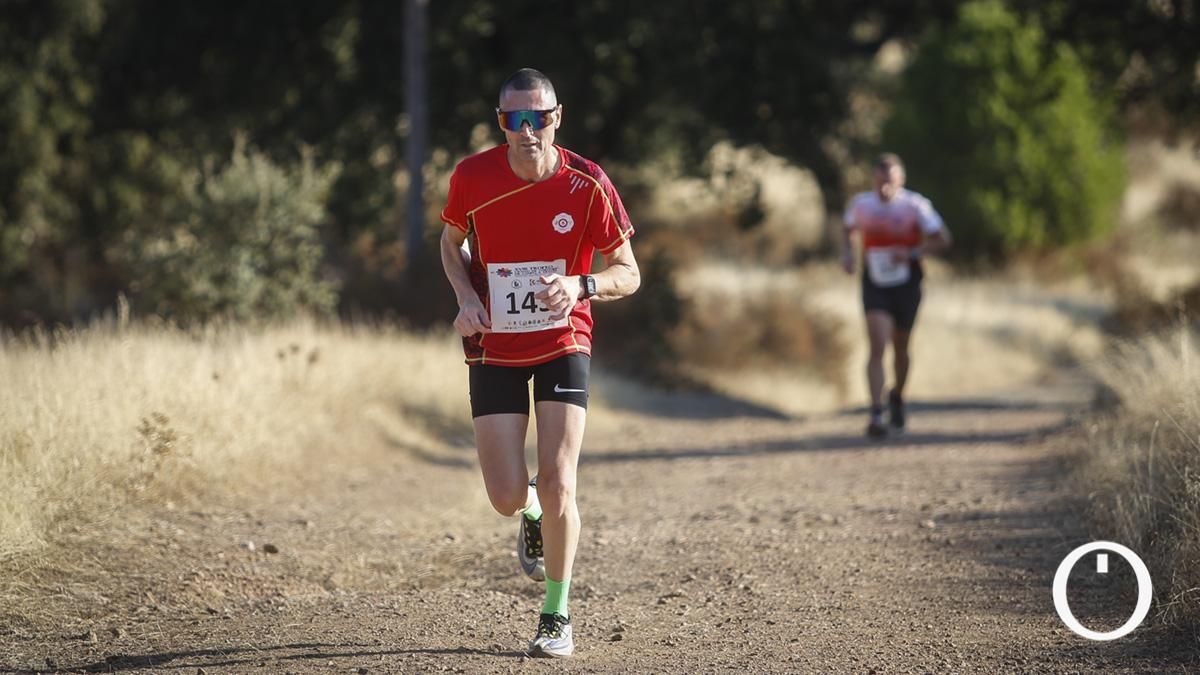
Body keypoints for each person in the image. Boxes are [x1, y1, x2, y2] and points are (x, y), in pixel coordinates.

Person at [438, 67, 640, 658]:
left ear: (557, 118)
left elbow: (629, 271)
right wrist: (467, 298)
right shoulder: (472, 177)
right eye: (512, 119)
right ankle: (526, 511)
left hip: (563, 340)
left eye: (538, 117)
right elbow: (451, 244)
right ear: (501, 122)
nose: (526, 130)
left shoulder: (588, 183)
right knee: (507, 494)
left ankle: (557, 614)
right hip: (495, 344)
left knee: (559, 480)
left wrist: (582, 286)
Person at [841, 153, 951, 438]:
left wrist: (913, 253)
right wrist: (848, 254)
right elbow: (848, 228)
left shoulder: (915, 206)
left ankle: (898, 397)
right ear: (873, 181)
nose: (885, 189)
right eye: (879, 182)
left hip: (907, 283)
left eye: (890, 182)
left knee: (901, 346)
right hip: (875, 282)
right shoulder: (861, 205)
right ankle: (876, 413)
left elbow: (943, 239)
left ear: (901, 181)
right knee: (877, 344)